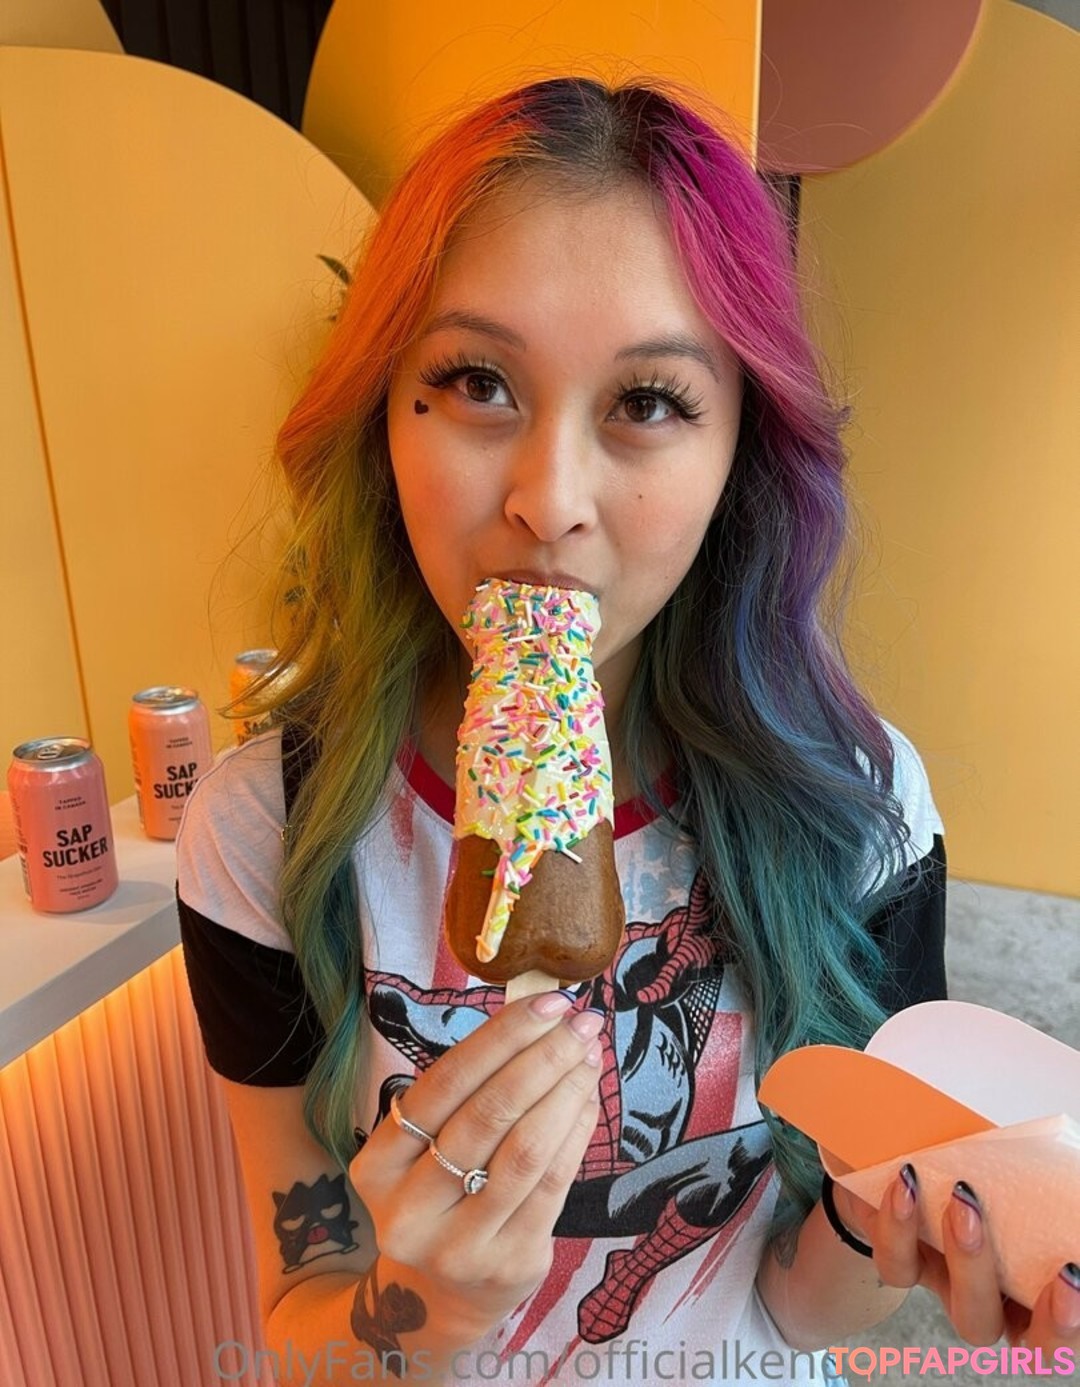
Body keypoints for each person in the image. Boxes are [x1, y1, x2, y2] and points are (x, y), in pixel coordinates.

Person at [176, 76, 1079, 1385]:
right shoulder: (268, 832)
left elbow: (805, 1310)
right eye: (476, 380)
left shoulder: (861, 807)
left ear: (739, 458)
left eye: (648, 402)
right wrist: (420, 1308)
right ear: (382, 417)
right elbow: (304, 1307)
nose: (549, 500)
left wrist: (889, 1221)